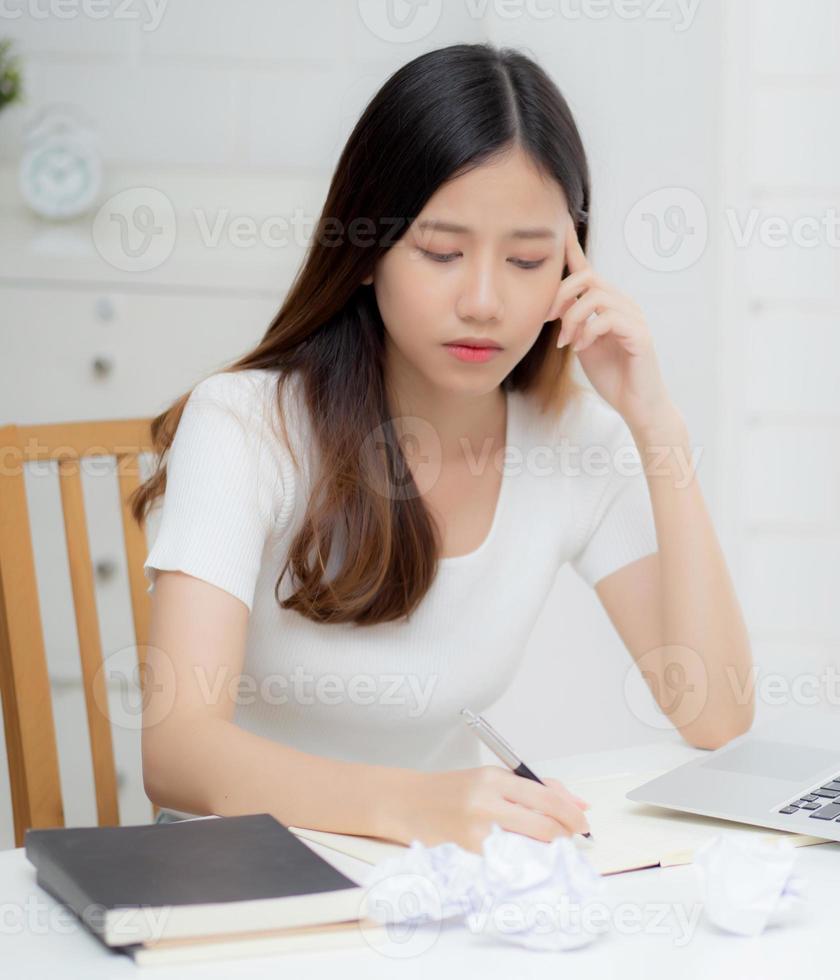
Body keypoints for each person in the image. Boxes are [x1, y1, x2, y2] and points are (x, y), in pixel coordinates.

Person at [130, 43, 753, 851]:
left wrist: (657, 424)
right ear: (364, 251)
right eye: (441, 252)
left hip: (436, 886)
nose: (486, 301)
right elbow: (178, 753)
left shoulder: (573, 442)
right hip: (246, 878)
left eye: (527, 260)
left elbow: (716, 716)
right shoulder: (245, 426)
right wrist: (416, 807)